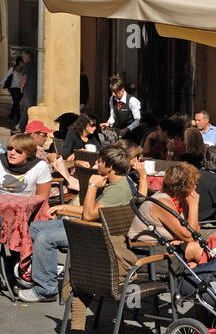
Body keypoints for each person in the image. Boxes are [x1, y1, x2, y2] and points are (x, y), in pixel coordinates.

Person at [21, 145, 136, 309]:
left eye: (100, 161)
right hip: (90, 226)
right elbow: (95, 211)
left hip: (96, 235)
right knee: (34, 228)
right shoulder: (113, 182)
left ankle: (46, 289)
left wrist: (92, 186)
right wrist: (64, 207)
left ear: (110, 167)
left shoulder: (117, 189)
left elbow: (89, 215)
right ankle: (35, 269)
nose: (96, 164)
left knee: (45, 238)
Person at [128, 161, 204, 266]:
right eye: (195, 183)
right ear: (185, 186)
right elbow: (190, 236)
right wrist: (194, 206)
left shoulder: (181, 201)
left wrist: (181, 238)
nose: (196, 187)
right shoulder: (162, 202)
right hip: (148, 254)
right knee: (200, 252)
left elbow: (195, 233)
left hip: (166, 248)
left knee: (202, 252)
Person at [0, 132, 52, 198]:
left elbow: (42, 197)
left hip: (27, 205)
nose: (12, 153)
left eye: (18, 151)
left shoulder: (39, 166)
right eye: (10, 148)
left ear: (28, 153)